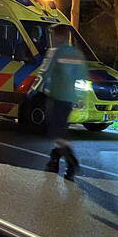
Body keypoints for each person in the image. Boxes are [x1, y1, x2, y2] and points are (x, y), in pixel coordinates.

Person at [40, 24, 88, 180]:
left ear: (59, 36)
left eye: (53, 35)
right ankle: (53, 162)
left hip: (55, 97)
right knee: (59, 129)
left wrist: (34, 90)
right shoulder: (76, 54)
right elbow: (82, 76)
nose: (52, 39)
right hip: (69, 99)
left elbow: (44, 73)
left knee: (57, 132)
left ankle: (71, 161)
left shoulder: (55, 52)